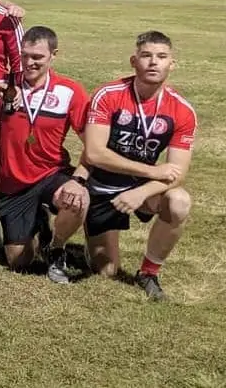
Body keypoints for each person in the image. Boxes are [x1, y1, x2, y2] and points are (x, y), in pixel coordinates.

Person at [81, 31, 196, 301]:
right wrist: (150, 171)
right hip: (104, 186)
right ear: (134, 61)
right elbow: (95, 153)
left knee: (179, 201)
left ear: (172, 63)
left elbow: (177, 174)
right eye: (146, 56)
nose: (153, 62)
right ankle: (94, 232)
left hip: (143, 191)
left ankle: (148, 272)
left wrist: (141, 192)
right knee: (106, 271)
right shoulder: (108, 94)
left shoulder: (182, 110)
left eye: (161, 56)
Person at [0, 26, 91, 283]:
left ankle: (56, 248)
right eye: (25, 55)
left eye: (37, 57)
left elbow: (93, 146)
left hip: (52, 174)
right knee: (18, 261)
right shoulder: (5, 86)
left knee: (77, 199)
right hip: (14, 185)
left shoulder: (70, 91)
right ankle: (38, 220)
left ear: (53, 55)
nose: (29, 62)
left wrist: (78, 179)